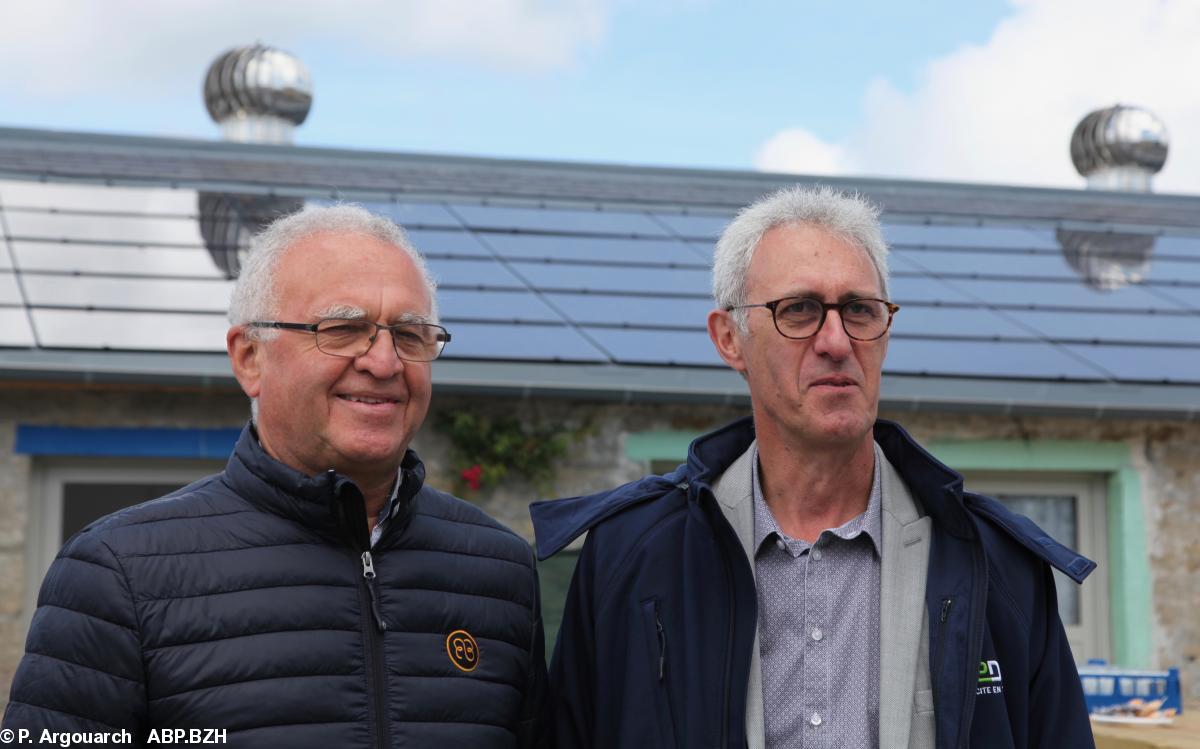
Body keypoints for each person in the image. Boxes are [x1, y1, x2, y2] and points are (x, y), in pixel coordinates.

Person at [531, 186, 1095, 748]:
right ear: (729, 339)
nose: (836, 341)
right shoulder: (629, 559)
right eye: (797, 310)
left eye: (859, 310)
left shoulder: (997, 567)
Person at [4, 205, 548, 748]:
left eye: (410, 334)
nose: (384, 363)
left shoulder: (498, 570)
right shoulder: (119, 575)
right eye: (343, 329)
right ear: (249, 358)